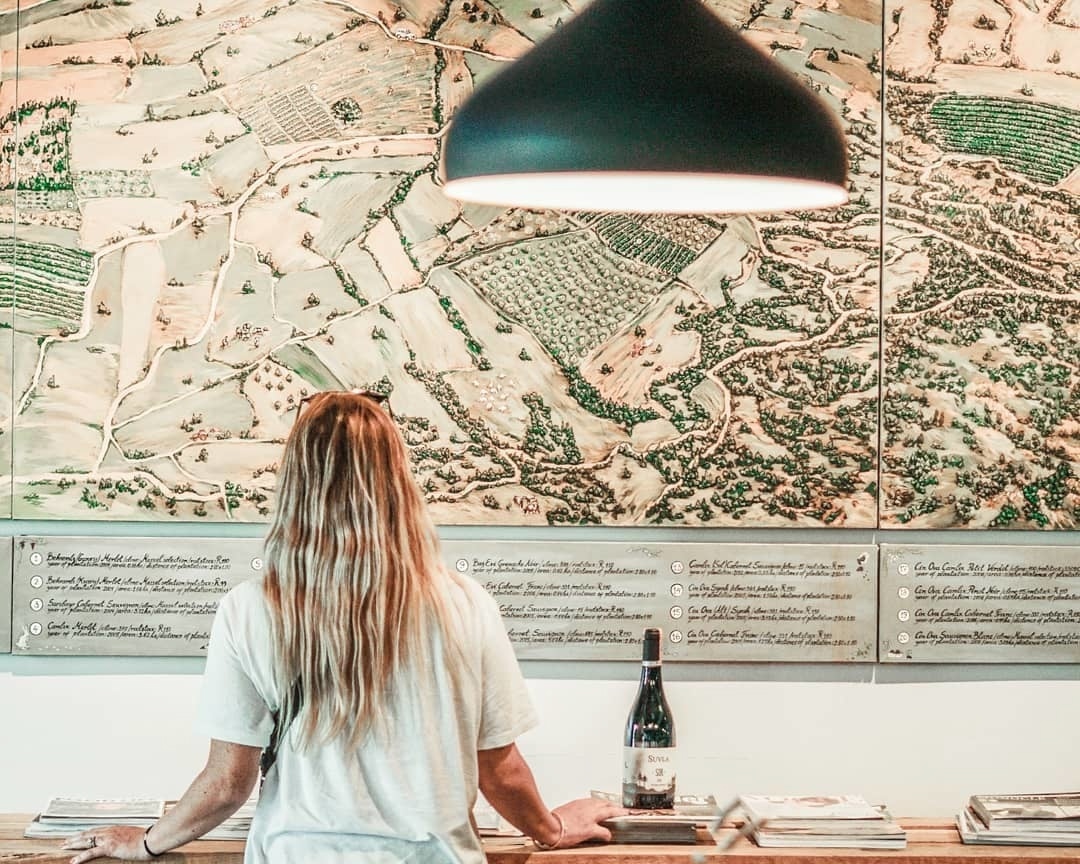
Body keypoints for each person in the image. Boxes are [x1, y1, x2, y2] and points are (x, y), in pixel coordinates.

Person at [64, 390, 625, 863]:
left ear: (296, 484)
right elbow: (498, 769)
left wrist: (146, 845)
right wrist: (551, 829)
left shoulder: (252, 608)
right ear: (397, 481)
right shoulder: (464, 604)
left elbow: (227, 784)